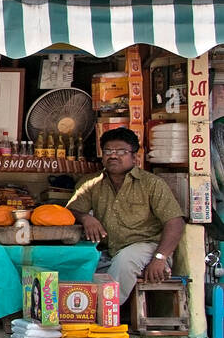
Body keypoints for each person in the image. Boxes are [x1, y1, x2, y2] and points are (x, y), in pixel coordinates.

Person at [66, 127, 185, 305]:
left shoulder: (151, 184)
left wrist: (160, 258)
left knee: (125, 260)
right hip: (108, 250)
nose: (113, 156)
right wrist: (85, 218)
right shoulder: (92, 183)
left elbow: (175, 222)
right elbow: (70, 210)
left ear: (135, 157)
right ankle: (76, 312)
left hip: (147, 246)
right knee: (78, 264)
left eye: (121, 151)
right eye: (108, 151)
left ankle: (104, 313)